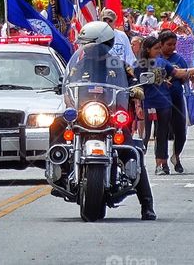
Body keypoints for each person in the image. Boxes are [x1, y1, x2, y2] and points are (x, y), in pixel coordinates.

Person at [67, 21, 156, 220]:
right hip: (84, 115)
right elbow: (68, 84)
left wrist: (136, 88)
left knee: (134, 152)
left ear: (103, 43)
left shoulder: (117, 63)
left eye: (89, 43)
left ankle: (147, 204)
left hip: (110, 118)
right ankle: (58, 164)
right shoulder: (77, 64)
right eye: (84, 44)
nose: (86, 48)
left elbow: (132, 80)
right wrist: (65, 94)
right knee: (56, 125)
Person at [135, 36, 194, 175]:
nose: (159, 51)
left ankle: (161, 163)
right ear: (147, 49)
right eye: (156, 48)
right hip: (148, 103)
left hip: (165, 103)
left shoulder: (163, 63)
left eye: (159, 48)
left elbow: (177, 73)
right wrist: (138, 105)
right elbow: (136, 86)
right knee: (145, 135)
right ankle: (138, 164)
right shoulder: (140, 64)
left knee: (162, 133)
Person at [158, 31, 188, 174]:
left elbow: (185, 77)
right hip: (160, 100)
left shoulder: (179, 59)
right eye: (168, 45)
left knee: (180, 131)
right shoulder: (154, 58)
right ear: (161, 44)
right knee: (162, 131)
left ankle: (176, 156)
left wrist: (181, 75)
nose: (172, 47)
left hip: (176, 98)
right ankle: (161, 163)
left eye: (174, 44)